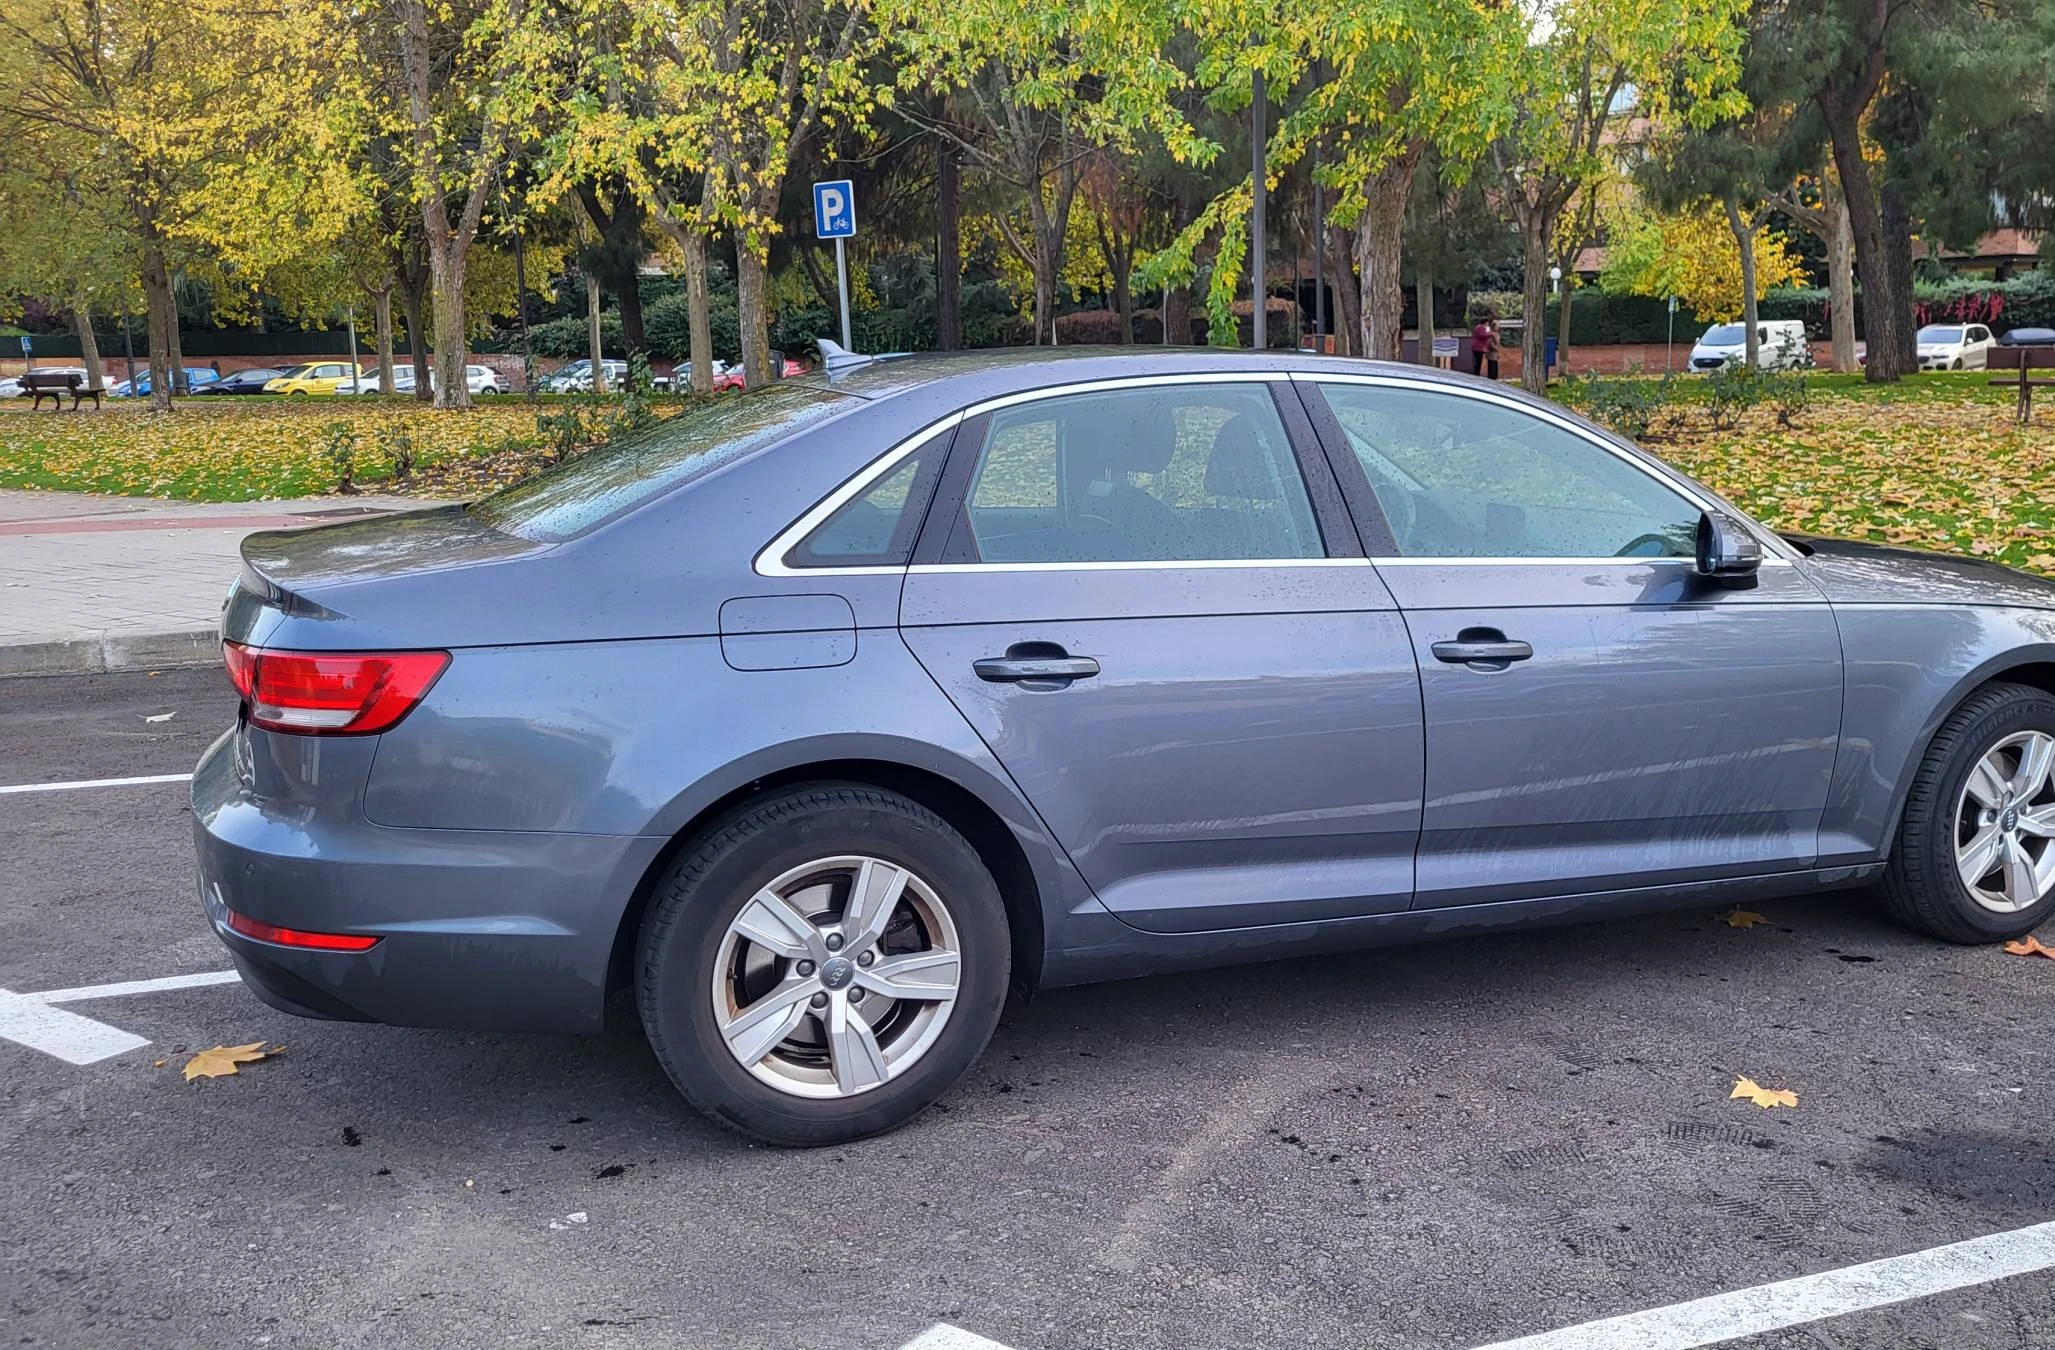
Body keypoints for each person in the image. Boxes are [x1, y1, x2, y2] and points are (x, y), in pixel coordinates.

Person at [1469, 312, 1500, 380]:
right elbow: (1481, 336)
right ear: (1485, 322)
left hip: (1481, 347)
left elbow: (1486, 334)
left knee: (1479, 361)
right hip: (1478, 347)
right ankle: (1476, 374)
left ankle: (1477, 373)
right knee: (1477, 361)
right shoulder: (1480, 327)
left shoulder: (1485, 328)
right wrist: (1490, 335)